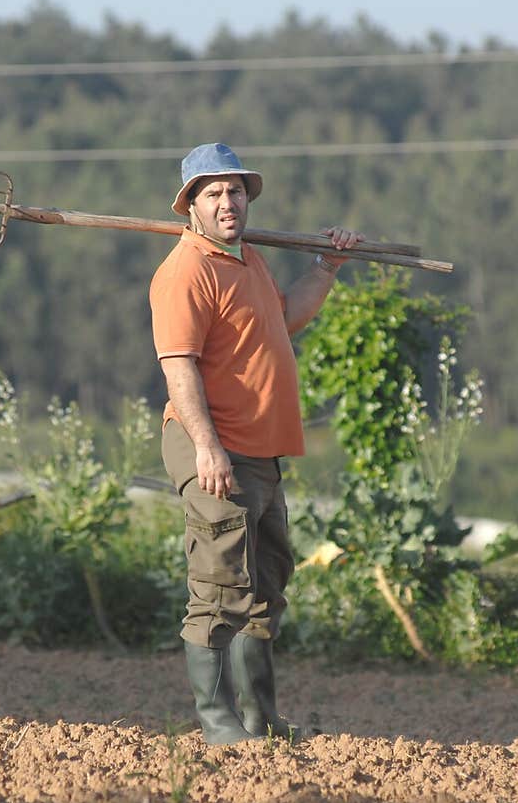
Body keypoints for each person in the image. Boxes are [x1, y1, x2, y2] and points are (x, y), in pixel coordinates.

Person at [150, 142, 363, 745]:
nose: (227, 203)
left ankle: (260, 718)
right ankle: (218, 724)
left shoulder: (247, 263)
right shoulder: (185, 271)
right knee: (220, 583)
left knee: (265, 585)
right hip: (213, 445)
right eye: (212, 193)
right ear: (189, 204)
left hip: (261, 450)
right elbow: (180, 367)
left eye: (235, 191)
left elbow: (286, 316)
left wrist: (326, 267)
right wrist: (207, 448)